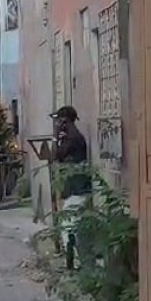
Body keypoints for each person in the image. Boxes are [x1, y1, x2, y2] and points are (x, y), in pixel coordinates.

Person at [51, 106, 92, 252]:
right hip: (76, 190)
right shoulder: (72, 137)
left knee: (68, 230)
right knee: (72, 229)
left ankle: (74, 263)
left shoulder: (73, 138)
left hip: (77, 191)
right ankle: (76, 262)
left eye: (58, 121)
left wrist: (55, 137)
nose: (56, 125)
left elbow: (55, 155)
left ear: (64, 121)